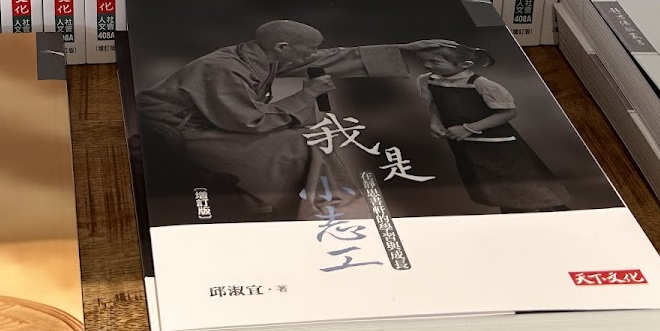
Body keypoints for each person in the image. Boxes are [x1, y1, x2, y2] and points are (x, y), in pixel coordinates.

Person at [135, 20, 456, 220]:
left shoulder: (261, 55)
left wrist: (405, 51)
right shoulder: (223, 68)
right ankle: (323, 209)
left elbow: (331, 58)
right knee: (296, 143)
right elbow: (248, 122)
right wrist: (308, 93)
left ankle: (330, 204)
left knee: (309, 136)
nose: (313, 55)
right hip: (178, 134)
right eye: (309, 50)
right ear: (283, 47)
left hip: (215, 124)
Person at [418, 44, 571, 214]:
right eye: (424, 61)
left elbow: (509, 112)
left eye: (434, 62)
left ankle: (556, 212)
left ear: (464, 65)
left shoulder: (481, 84)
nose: (427, 65)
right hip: (467, 145)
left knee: (523, 182)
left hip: (499, 145)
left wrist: (468, 128)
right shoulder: (427, 80)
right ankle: (514, 217)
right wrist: (435, 122)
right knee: (495, 187)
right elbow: (434, 103)